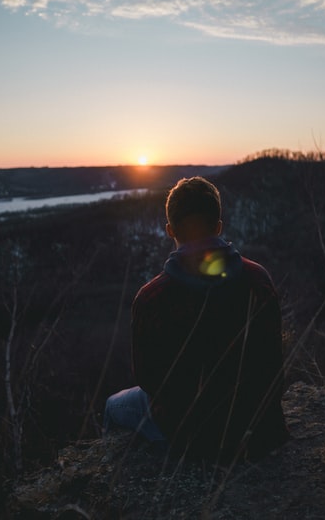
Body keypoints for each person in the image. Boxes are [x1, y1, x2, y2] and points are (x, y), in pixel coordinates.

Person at [104, 176, 289, 463]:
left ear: (169, 230)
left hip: (193, 440)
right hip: (261, 429)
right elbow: (273, 362)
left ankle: (119, 480)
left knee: (113, 406)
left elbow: (148, 380)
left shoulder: (151, 298)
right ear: (218, 227)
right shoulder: (258, 280)